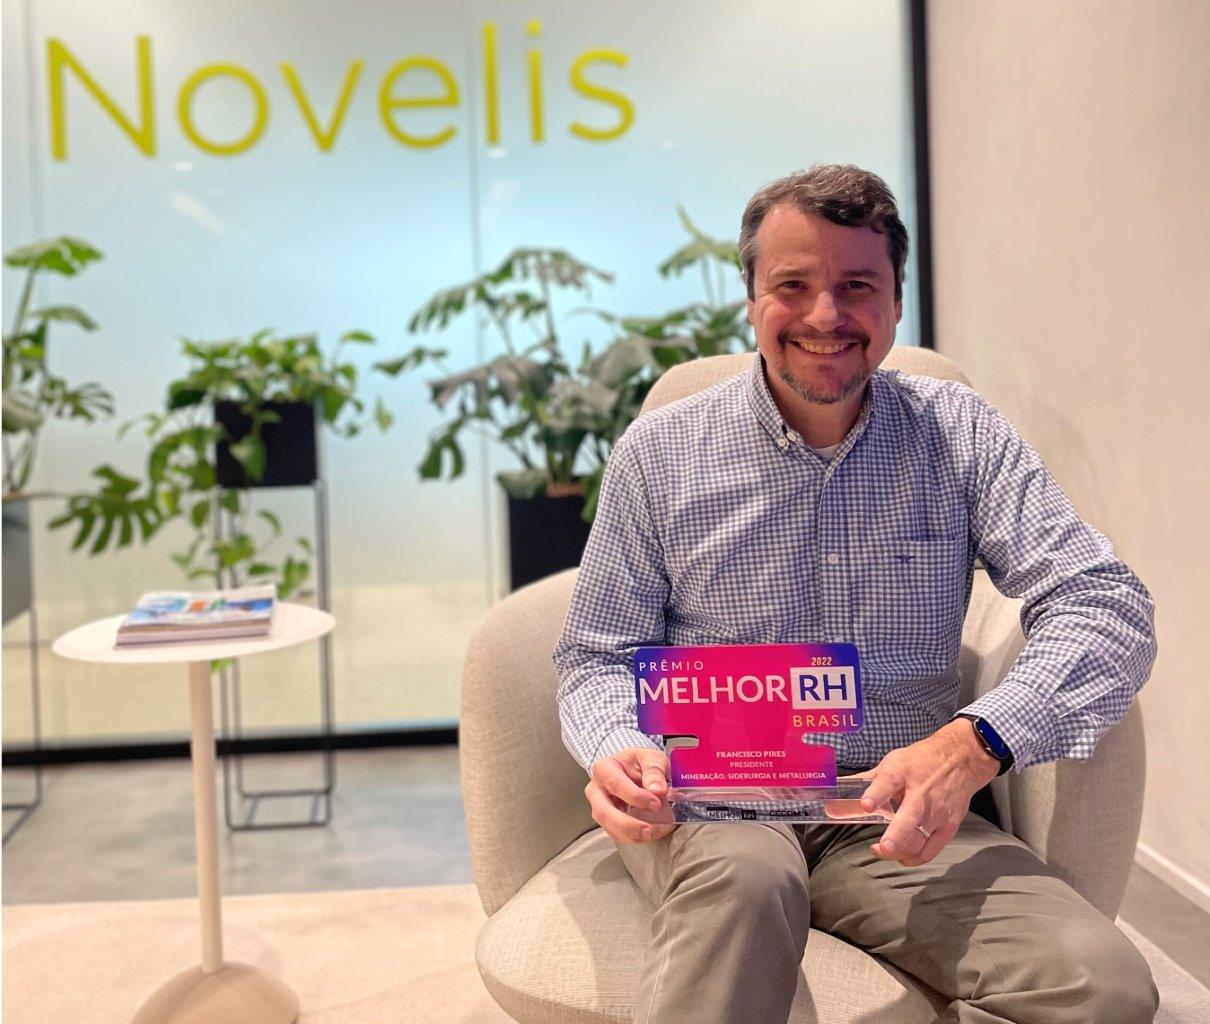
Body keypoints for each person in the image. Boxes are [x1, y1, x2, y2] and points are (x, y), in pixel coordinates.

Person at [553, 164, 1159, 1023]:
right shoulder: (661, 452)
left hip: (895, 808)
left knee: (1103, 985)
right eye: (792, 285)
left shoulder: (962, 434)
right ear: (752, 300)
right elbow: (595, 654)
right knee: (748, 882)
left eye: (857, 286)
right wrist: (616, 746)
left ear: (897, 301)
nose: (825, 315)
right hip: (717, 799)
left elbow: (1105, 602)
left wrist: (975, 744)